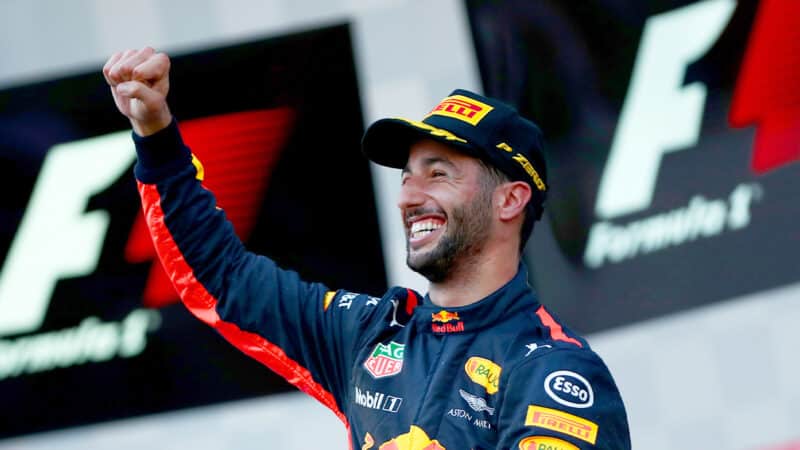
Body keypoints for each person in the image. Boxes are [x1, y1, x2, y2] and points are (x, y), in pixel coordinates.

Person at [103, 47, 630, 450]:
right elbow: (222, 278)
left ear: (510, 199)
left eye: (438, 174)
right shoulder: (370, 333)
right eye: (406, 176)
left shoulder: (555, 373)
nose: (409, 197)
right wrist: (156, 137)